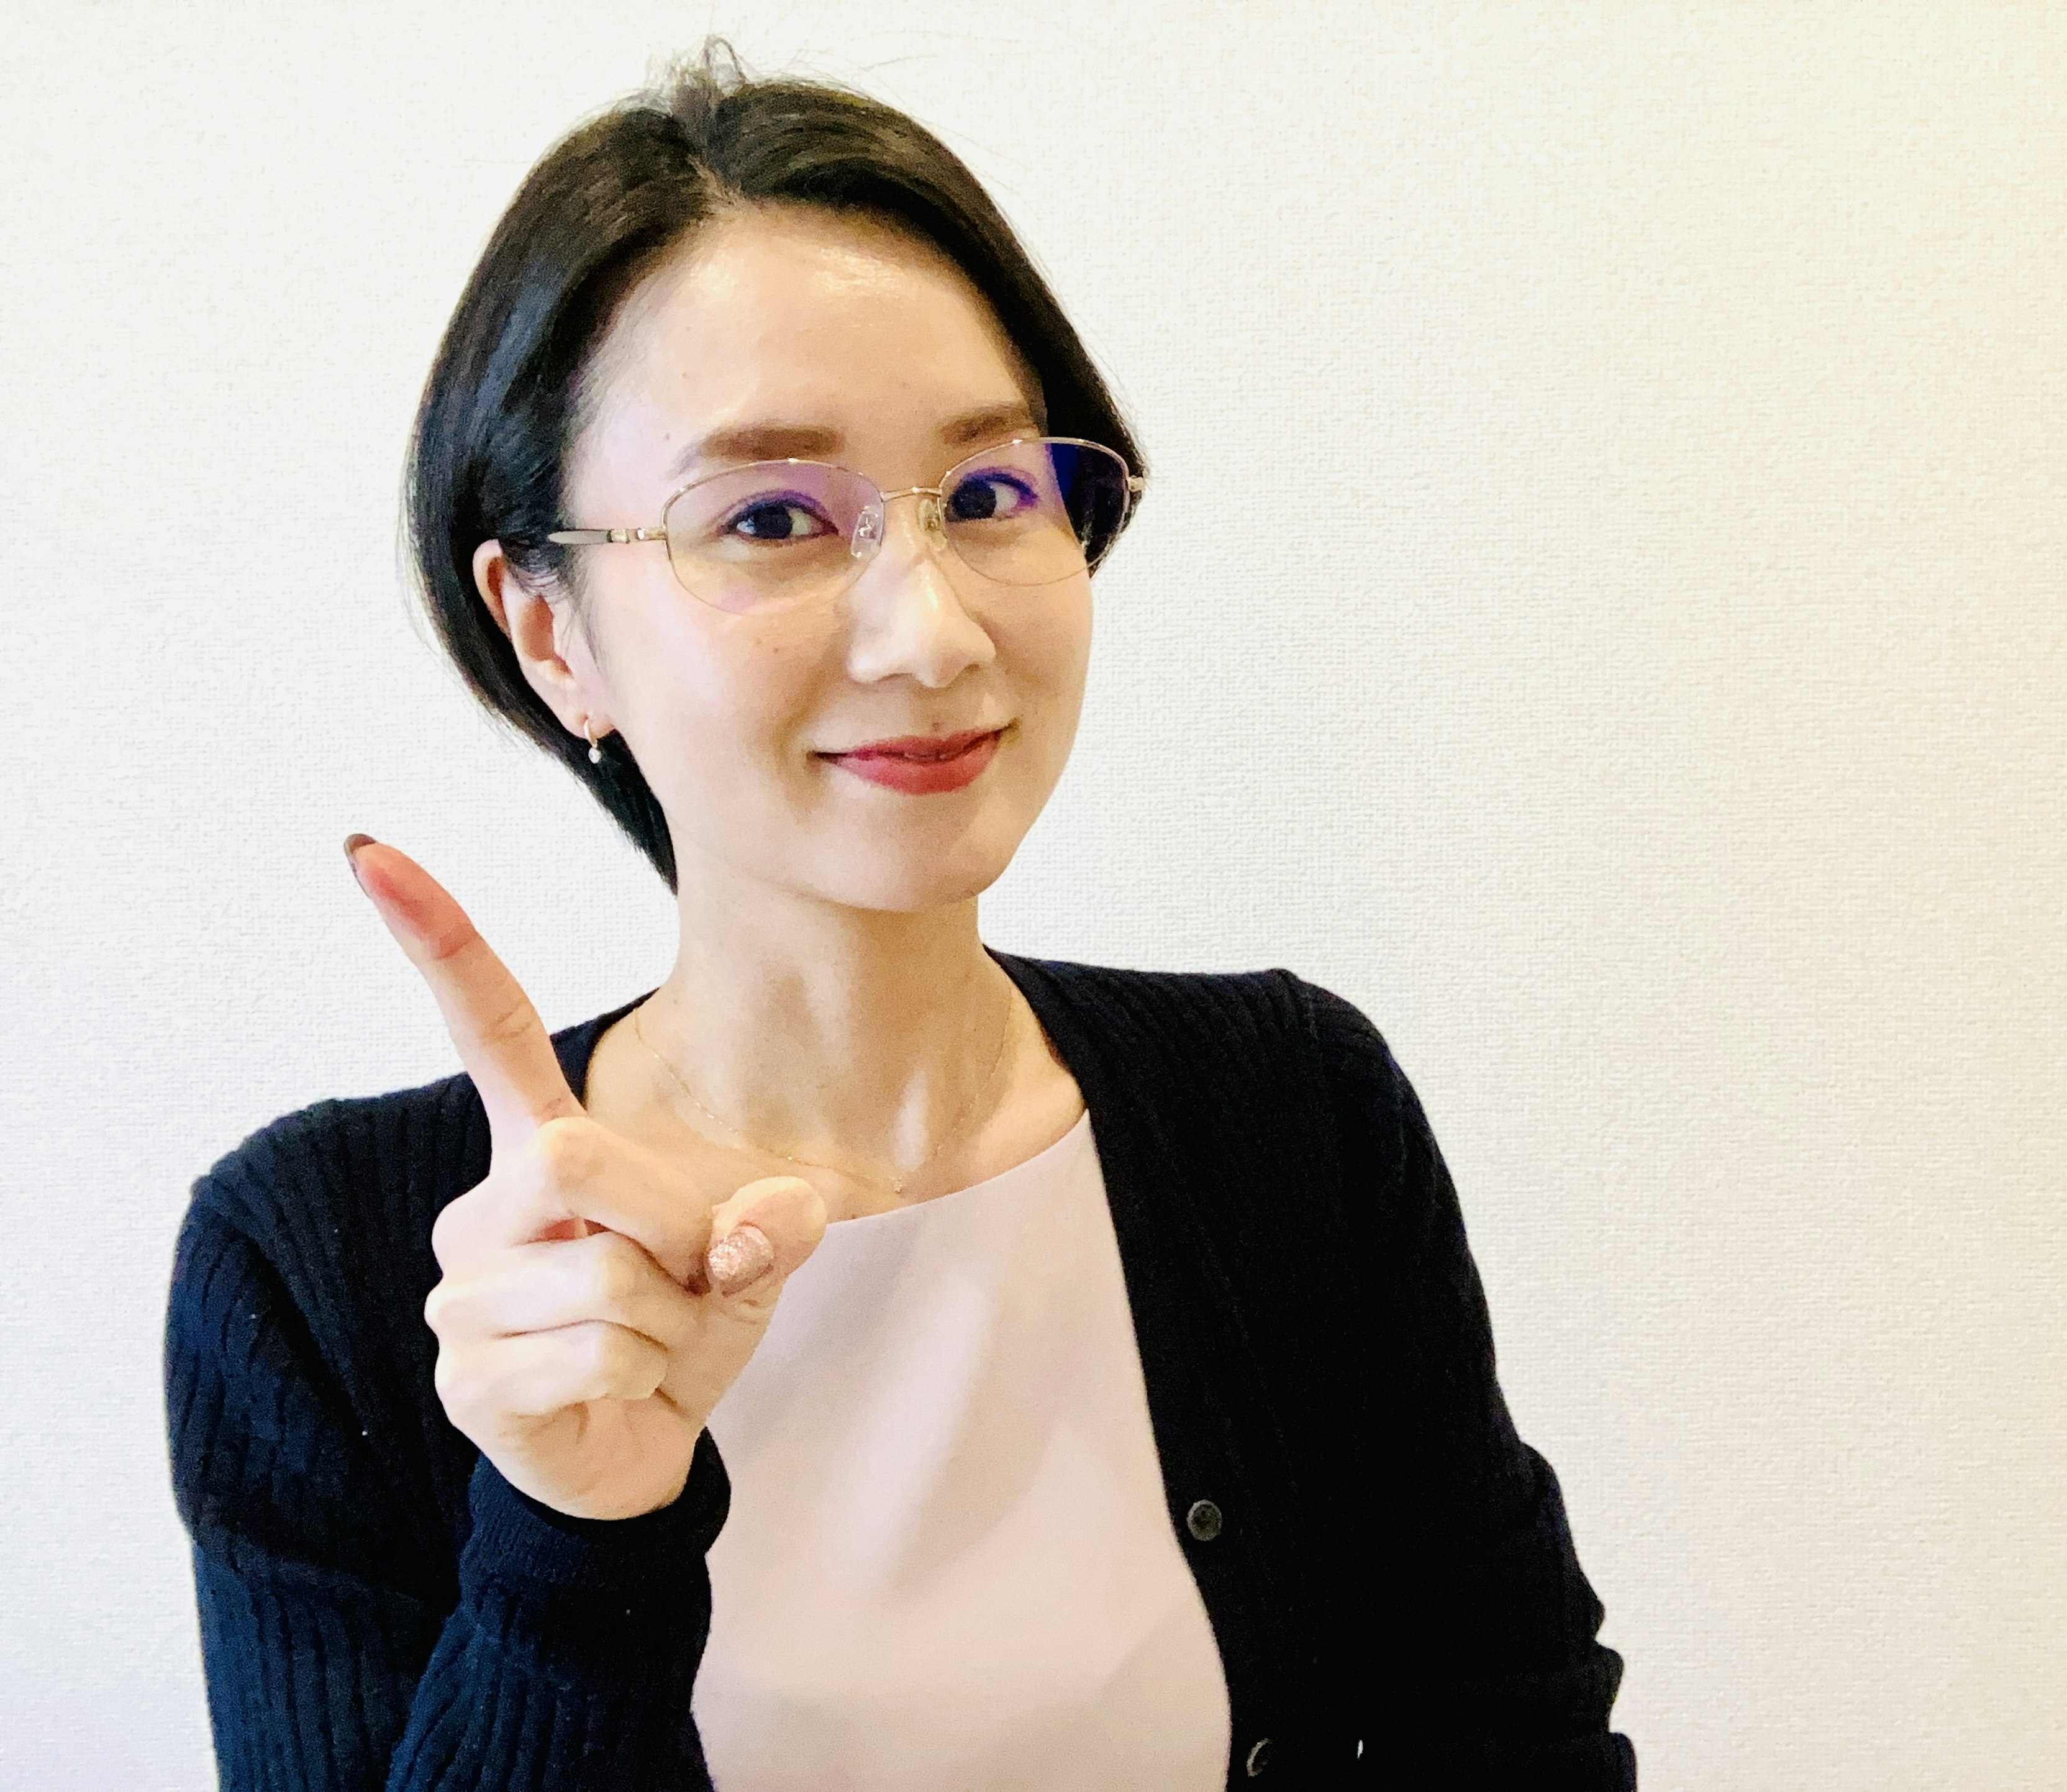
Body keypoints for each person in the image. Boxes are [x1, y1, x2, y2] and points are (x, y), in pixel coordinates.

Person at [163, 37, 1634, 1791]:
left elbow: (1514, 1736)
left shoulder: (1289, 1112)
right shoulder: (327, 1269)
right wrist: (571, 1535)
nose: (930, 632)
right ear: (551, 630)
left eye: (995, 493)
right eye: (772, 517)